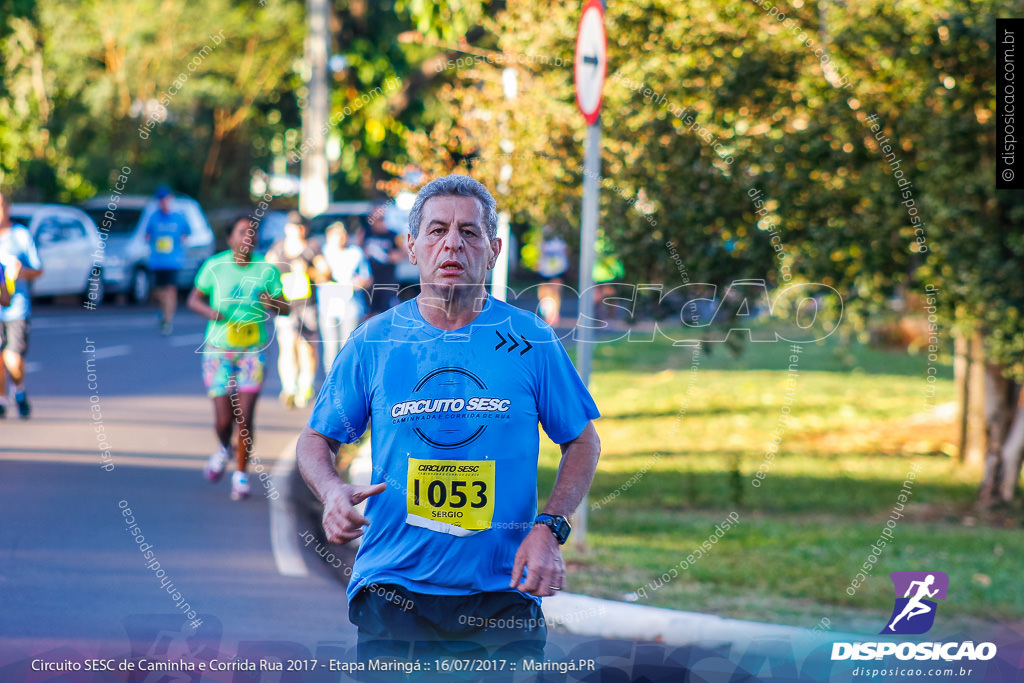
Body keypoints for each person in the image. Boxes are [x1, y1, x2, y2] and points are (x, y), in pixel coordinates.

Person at [296, 175, 602, 664]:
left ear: (494, 249)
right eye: (437, 231)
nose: (453, 243)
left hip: (504, 593)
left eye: (470, 232)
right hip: (395, 590)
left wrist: (550, 527)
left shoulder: (531, 340)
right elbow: (315, 440)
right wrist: (332, 491)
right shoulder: (374, 341)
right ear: (412, 247)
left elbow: (583, 442)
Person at [188, 217, 289, 500]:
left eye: (253, 232)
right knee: (223, 420)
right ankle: (224, 449)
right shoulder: (214, 266)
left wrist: (272, 302)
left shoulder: (266, 269)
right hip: (219, 351)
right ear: (230, 238)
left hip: (252, 351)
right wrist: (210, 313)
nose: (248, 236)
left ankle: (241, 476)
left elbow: (288, 308)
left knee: (244, 417)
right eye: (242, 232)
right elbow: (193, 299)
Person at [266, 211, 329, 409]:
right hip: (285, 305)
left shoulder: (311, 249)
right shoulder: (278, 248)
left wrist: (307, 271)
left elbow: (325, 274)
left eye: (301, 226)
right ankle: (289, 388)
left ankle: (305, 385)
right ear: (288, 228)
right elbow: (266, 271)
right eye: (294, 226)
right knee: (286, 345)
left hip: (306, 305)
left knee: (307, 347)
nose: (298, 230)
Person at [0, 189, 43, 419]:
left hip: (16, 308)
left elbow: (38, 269)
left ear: (7, 208)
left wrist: (19, 272)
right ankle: (1, 400)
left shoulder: (21, 235)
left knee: (12, 358)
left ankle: (19, 390)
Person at [317, 221, 372, 370]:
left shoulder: (355, 253)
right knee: (330, 347)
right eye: (336, 235)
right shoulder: (322, 253)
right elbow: (315, 275)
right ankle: (332, 384)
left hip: (350, 306)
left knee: (347, 348)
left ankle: (346, 384)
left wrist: (357, 284)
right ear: (328, 237)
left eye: (342, 235)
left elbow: (367, 278)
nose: (340, 238)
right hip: (328, 306)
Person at [143, 186, 192, 335]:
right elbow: (147, 235)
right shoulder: (154, 217)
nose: (163, 202)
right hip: (157, 261)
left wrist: (179, 244)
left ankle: (167, 320)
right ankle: (163, 311)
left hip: (172, 261)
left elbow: (187, 233)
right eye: (160, 200)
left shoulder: (178, 217)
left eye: (165, 199)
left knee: (171, 290)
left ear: (170, 199)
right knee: (158, 291)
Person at [359, 204, 403, 315]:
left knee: (387, 313)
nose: (379, 222)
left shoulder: (392, 234)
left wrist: (386, 257)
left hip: (387, 282)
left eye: (381, 219)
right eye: (376, 218)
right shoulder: (366, 233)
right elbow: (358, 249)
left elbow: (402, 253)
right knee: (370, 315)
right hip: (370, 282)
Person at [536, 227, 570, 327]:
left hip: (558, 269)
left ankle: (553, 314)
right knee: (544, 292)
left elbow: (566, 253)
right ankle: (547, 312)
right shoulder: (544, 239)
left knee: (555, 293)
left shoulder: (560, 240)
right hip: (545, 270)